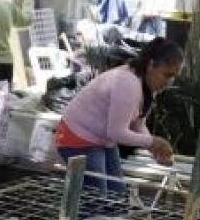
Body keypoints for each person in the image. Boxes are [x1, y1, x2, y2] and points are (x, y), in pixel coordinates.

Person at [55, 37, 181, 193]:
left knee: (117, 195)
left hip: (100, 139)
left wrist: (154, 149)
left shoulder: (147, 84)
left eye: (174, 76)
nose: (170, 81)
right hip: (78, 138)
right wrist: (153, 142)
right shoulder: (128, 83)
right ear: (151, 65)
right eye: (167, 75)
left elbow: (138, 125)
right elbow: (116, 132)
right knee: (97, 200)